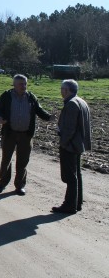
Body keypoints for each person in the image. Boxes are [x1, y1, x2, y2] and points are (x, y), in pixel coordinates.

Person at [0, 74, 53, 195]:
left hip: (26, 135)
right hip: (9, 133)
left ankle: (19, 185)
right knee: (6, 160)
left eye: (25, 83)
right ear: (14, 85)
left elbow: (39, 110)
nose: (24, 86)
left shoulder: (31, 97)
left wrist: (49, 117)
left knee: (23, 161)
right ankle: (2, 183)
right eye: (21, 84)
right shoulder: (6, 96)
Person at [52, 79, 92, 214]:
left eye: (62, 89)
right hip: (79, 144)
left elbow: (69, 129)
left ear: (67, 90)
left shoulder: (71, 104)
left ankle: (69, 205)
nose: (61, 91)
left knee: (70, 176)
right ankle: (77, 202)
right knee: (77, 175)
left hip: (70, 145)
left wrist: (63, 143)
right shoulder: (82, 101)